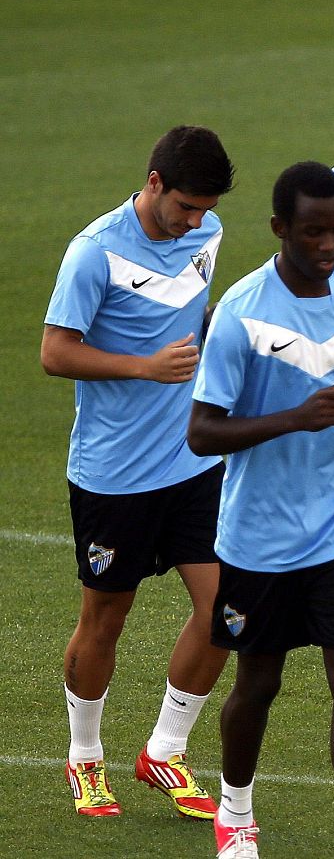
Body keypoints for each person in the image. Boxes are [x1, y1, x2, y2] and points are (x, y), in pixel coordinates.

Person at [190, 161, 334, 859]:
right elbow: (201, 432)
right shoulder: (241, 311)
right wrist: (288, 419)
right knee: (259, 681)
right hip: (257, 538)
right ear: (280, 228)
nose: (327, 244)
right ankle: (237, 816)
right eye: (312, 231)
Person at [42, 126, 235, 820]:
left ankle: (165, 750)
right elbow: (55, 352)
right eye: (184, 206)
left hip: (193, 459)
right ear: (153, 183)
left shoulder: (207, 232)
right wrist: (142, 367)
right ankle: (85, 757)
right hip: (114, 474)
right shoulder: (93, 254)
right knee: (105, 618)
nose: (194, 221)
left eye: (203, 209)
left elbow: (191, 313)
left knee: (227, 611)